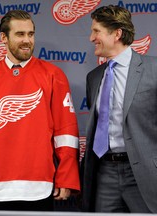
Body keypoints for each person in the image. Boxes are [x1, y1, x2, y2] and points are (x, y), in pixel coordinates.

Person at [0, 10, 80, 211]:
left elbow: (66, 132)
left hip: (39, 187)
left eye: (30, 34)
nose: (27, 40)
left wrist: (66, 176)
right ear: (3, 38)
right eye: (20, 34)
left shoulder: (53, 75)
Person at [82, 5, 157, 213]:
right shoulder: (94, 77)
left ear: (117, 33)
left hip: (145, 174)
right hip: (104, 172)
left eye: (96, 31)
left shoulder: (154, 70)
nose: (91, 38)